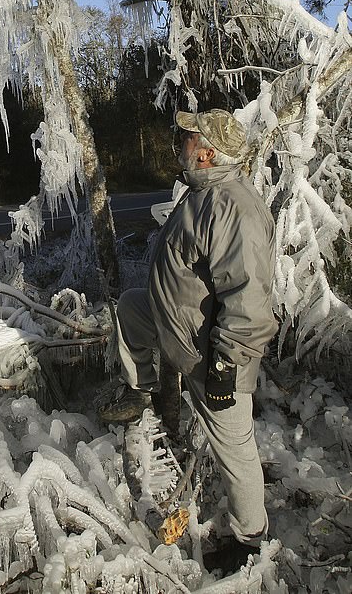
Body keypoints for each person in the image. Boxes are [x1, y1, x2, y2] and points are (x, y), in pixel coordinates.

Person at [100, 108, 277, 573]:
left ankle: (250, 539)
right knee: (130, 309)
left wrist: (225, 366)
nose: (178, 144)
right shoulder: (203, 193)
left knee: (235, 447)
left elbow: (251, 301)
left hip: (211, 356)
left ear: (206, 153)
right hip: (175, 327)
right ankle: (139, 393)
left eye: (187, 139)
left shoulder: (233, 207)